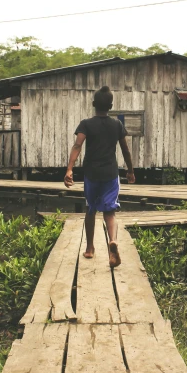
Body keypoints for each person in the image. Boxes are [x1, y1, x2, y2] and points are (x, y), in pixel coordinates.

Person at [64, 86, 135, 268]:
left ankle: (89, 248)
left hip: (92, 174)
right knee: (110, 212)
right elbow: (125, 150)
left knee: (90, 209)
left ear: (94, 104)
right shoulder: (117, 125)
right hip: (110, 174)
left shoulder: (86, 124)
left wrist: (69, 169)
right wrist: (130, 170)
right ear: (111, 106)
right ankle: (113, 241)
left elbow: (77, 145)